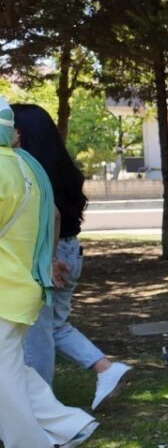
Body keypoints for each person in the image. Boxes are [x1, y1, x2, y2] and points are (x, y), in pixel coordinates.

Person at [0, 96, 98, 448]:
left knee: (4, 378)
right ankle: (67, 424)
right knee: (12, 372)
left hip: (4, 290)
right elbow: (53, 218)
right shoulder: (26, 166)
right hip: (20, 287)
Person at [13, 104, 132, 407]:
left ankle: (44, 413)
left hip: (52, 254)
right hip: (70, 249)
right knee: (53, 326)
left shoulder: (27, 168)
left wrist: (47, 261)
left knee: (37, 337)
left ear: (20, 133)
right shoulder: (60, 166)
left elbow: (49, 216)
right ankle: (105, 369)